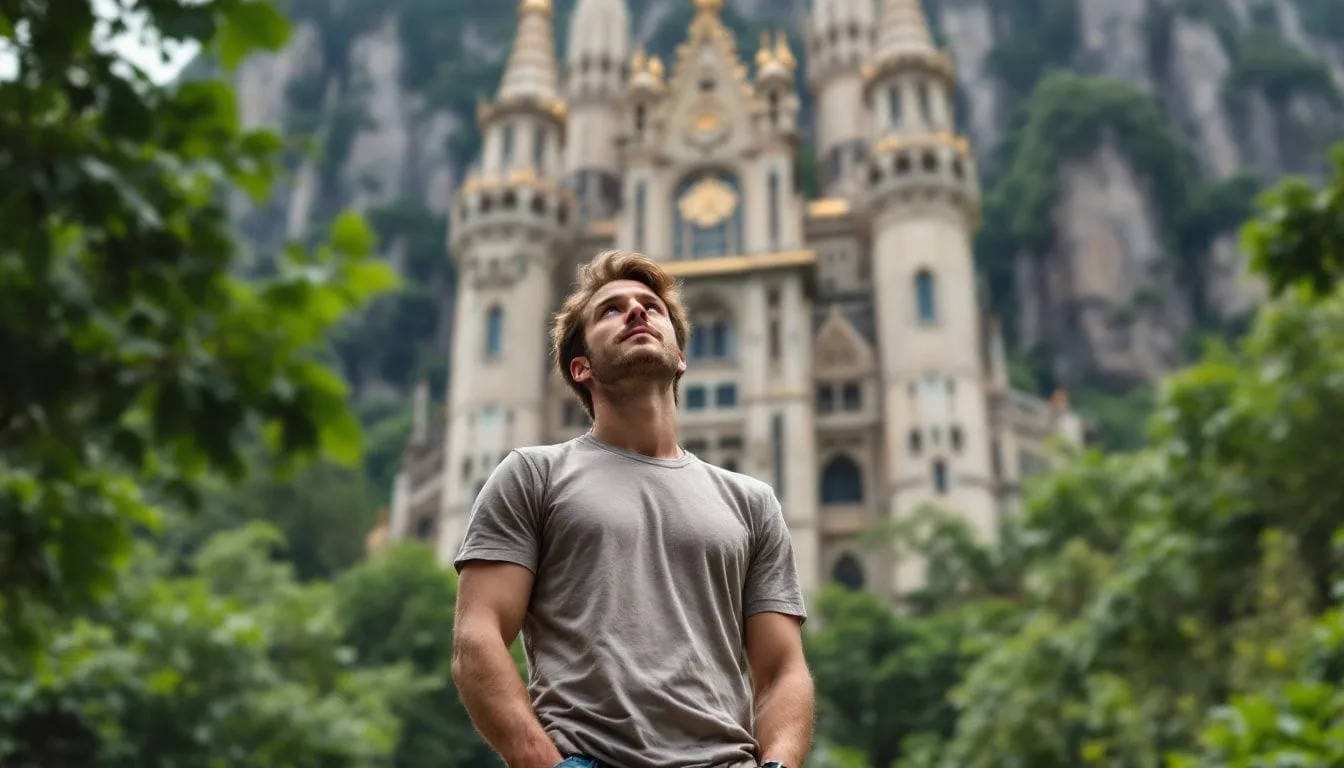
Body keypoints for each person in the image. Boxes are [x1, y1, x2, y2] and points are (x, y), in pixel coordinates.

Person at [451, 249, 814, 768]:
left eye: (651, 306)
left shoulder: (752, 503)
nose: (637, 312)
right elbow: (477, 636)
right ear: (581, 368)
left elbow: (782, 670)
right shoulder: (533, 476)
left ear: (680, 356)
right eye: (611, 310)